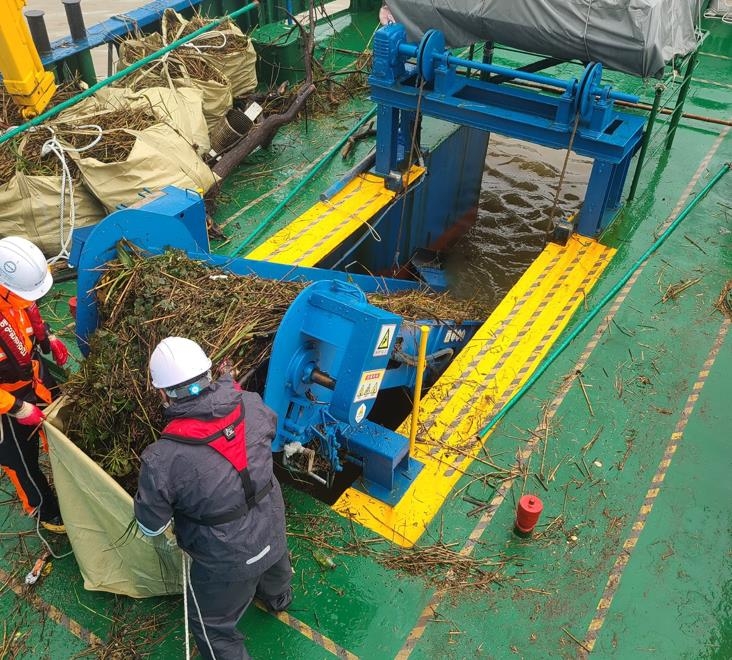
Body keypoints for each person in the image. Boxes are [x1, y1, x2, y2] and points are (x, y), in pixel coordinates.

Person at [134, 336, 292, 660]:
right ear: (209, 373)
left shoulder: (162, 458)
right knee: (274, 561)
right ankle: (278, 598)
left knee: (210, 624)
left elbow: (151, 526)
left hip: (226, 557)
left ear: (162, 393)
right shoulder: (251, 403)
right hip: (272, 522)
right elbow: (270, 433)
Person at [0, 236, 69, 534]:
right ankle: (46, 511)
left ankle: (65, 462)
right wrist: (16, 407)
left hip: (32, 376)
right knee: (20, 461)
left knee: (63, 417)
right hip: (6, 402)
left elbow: (29, 311)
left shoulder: (16, 292)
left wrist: (47, 337)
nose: (31, 298)